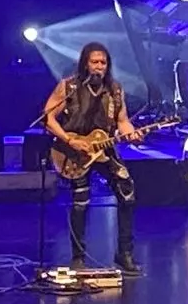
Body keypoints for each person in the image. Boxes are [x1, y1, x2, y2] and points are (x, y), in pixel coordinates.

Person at [43, 42, 145, 274]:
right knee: (81, 203)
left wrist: (132, 134)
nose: (99, 67)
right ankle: (78, 257)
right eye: (94, 62)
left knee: (127, 192)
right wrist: (70, 141)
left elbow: (122, 121)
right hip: (74, 152)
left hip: (104, 149)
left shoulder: (115, 90)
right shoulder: (68, 86)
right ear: (85, 64)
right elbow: (48, 117)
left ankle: (125, 254)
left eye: (103, 62)